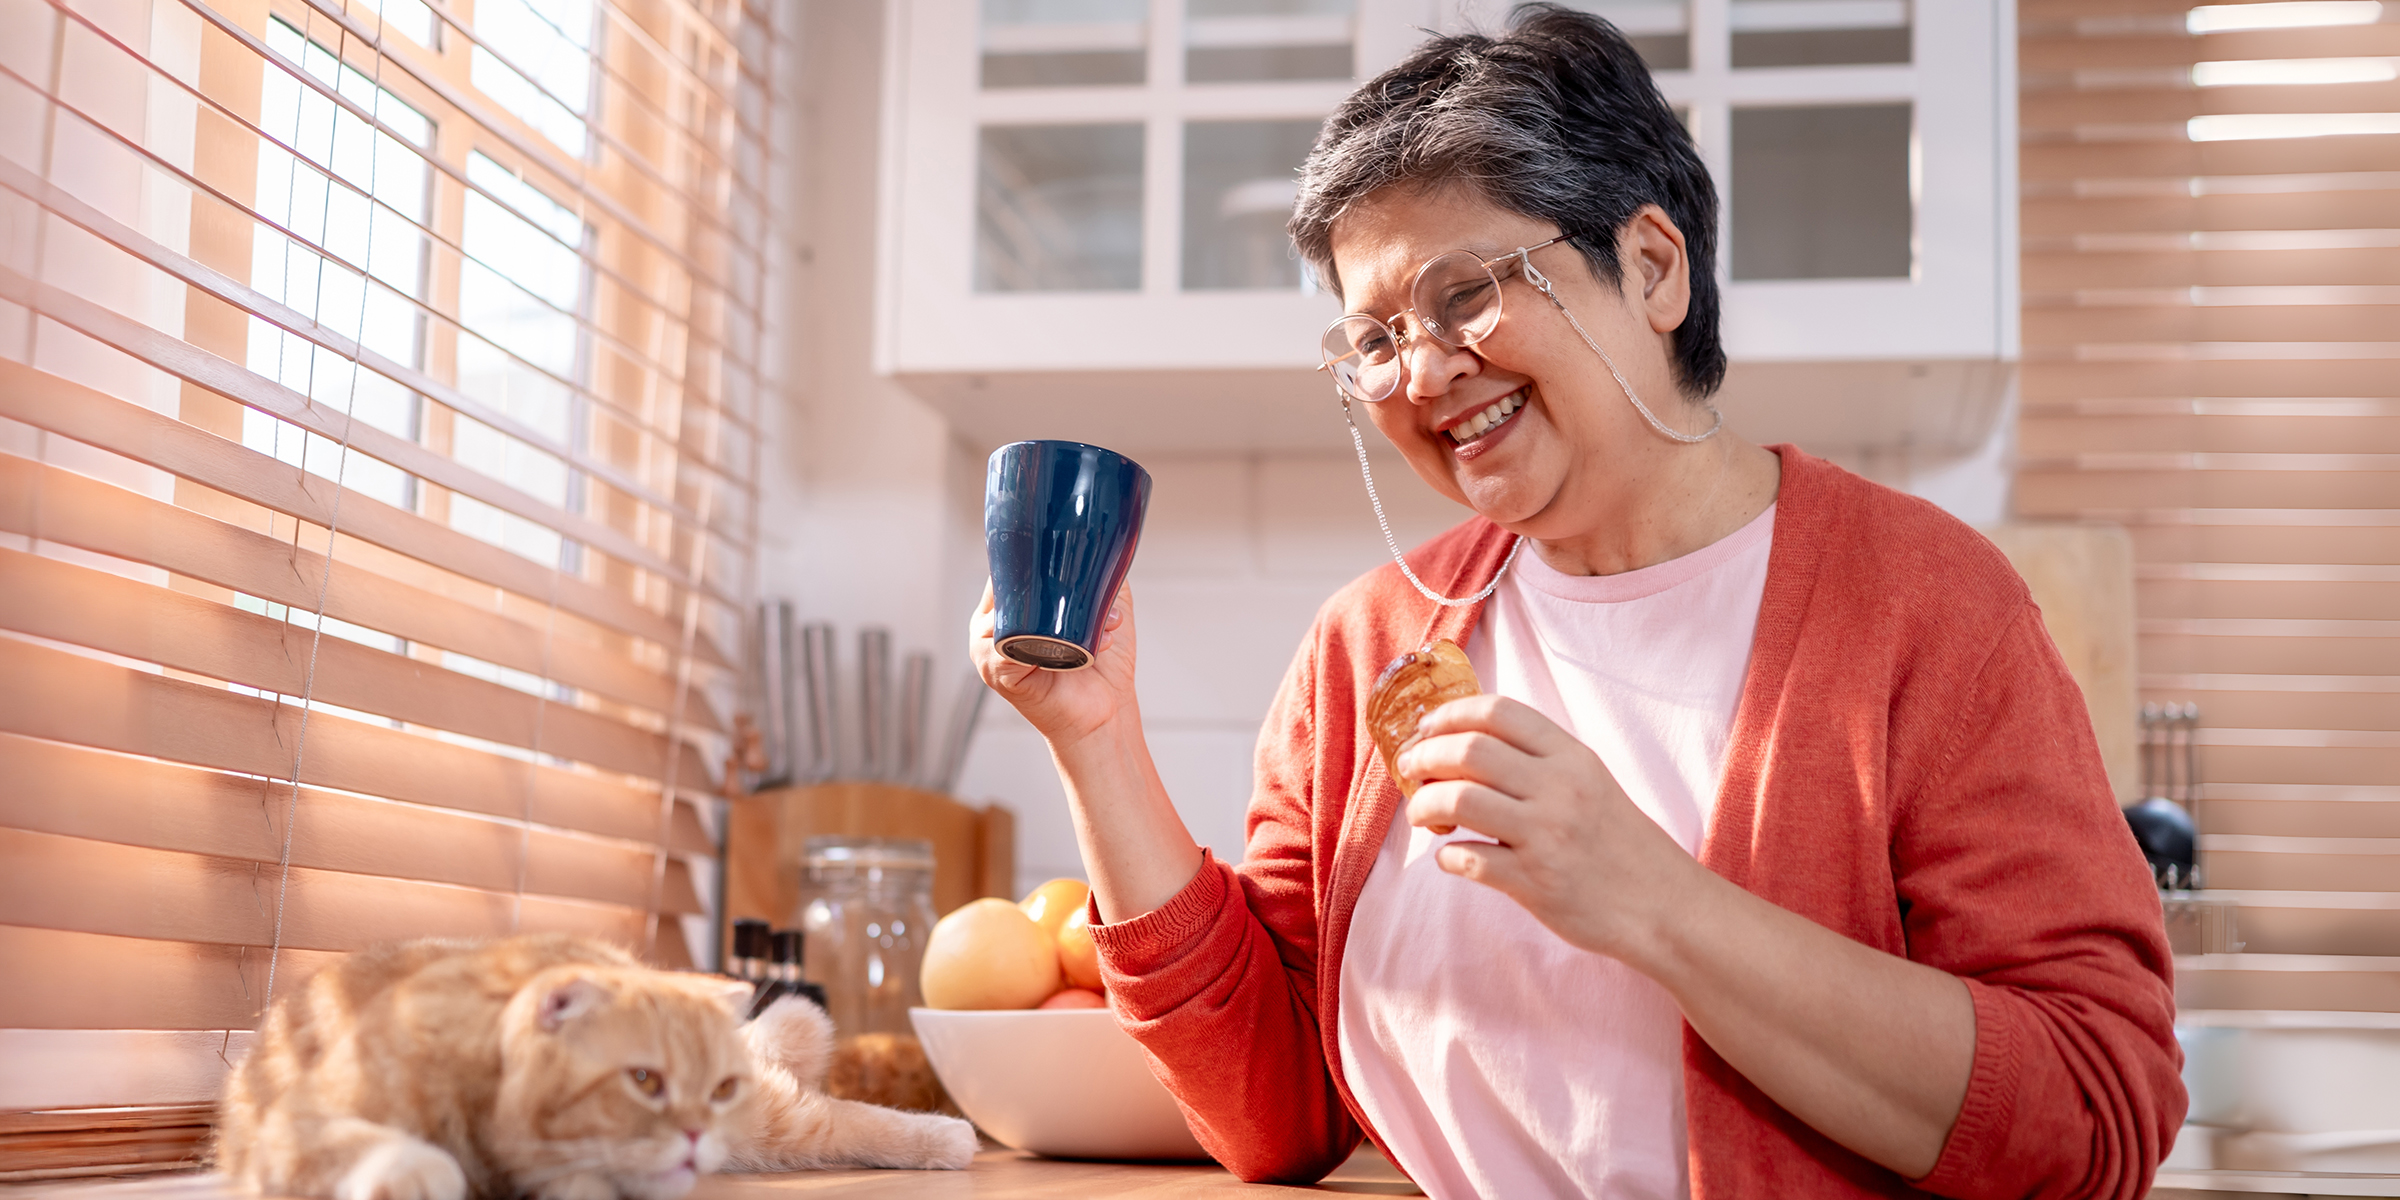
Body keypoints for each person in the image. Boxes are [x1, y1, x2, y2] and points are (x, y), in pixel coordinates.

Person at [968, 7, 2184, 1198]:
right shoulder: (1368, 649)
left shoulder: (1926, 605)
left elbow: (2092, 1111)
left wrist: (1649, 900)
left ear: (1652, 268)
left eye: (1464, 294)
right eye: (1375, 338)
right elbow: (1275, 1112)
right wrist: (1096, 742)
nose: (1423, 372)